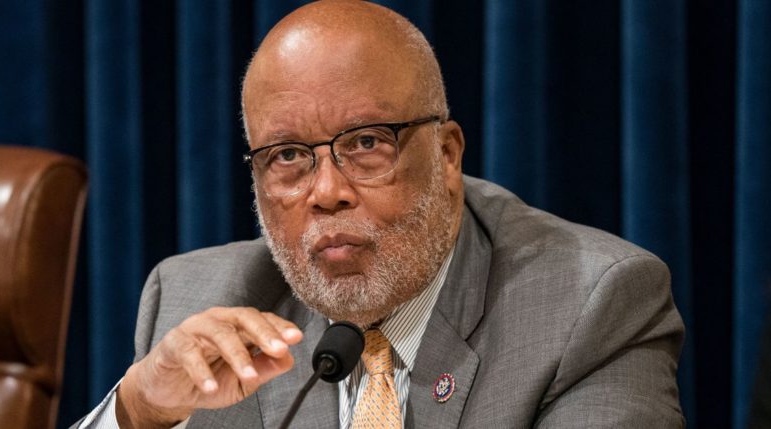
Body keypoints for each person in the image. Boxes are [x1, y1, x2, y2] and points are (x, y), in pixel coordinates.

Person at [75, 1, 685, 427]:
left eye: (367, 143)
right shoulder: (191, 301)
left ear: (446, 155)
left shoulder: (591, 307)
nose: (327, 191)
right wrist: (138, 412)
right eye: (288, 156)